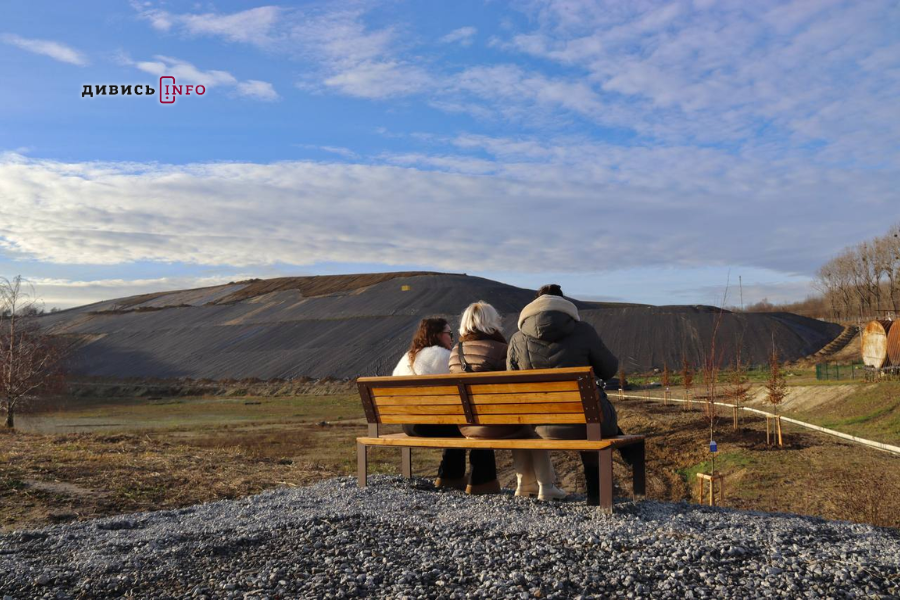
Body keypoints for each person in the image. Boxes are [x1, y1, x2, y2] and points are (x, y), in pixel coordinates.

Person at [507, 284, 625, 506]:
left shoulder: (517, 339)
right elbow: (609, 369)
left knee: (589, 417)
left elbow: (512, 384)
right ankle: (597, 494)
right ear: (564, 305)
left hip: (538, 425)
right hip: (586, 422)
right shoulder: (584, 331)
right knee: (593, 419)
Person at [449, 301, 566, 501]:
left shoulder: (455, 352)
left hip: (467, 426)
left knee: (520, 427)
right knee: (530, 430)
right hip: (493, 425)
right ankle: (546, 486)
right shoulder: (501, 349)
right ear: (492, 322)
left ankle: (526, 484)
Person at [392, 317, 495, 493]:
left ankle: (450, 476)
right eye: (449, 334)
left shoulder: (408, 356)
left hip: (408, 425)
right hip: (429, 425)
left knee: (454, 424)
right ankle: (482, 481)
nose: (452, 338)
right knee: (477, 428)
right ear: (438, 335)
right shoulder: (443, 356)